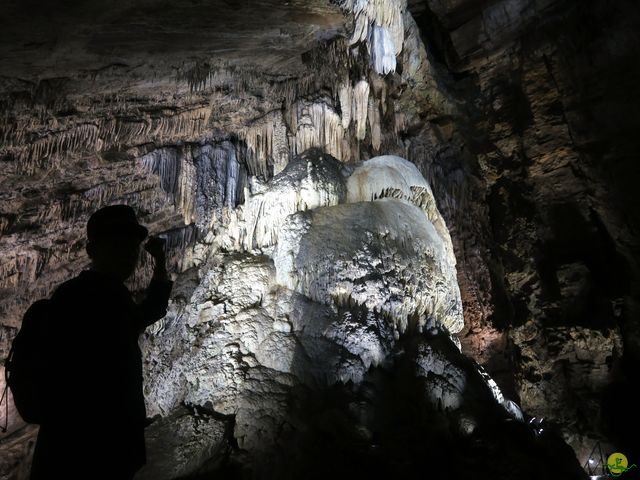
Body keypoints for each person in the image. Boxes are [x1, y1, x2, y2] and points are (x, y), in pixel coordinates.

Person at [30, 205, 173, 480]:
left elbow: (147, 313)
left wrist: (160, 263)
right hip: (86, 452)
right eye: (117, 245)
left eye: (132, 246)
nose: (129, 253)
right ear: (92, 251)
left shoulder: (106, 295)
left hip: (84, 448)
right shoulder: (85, 299)